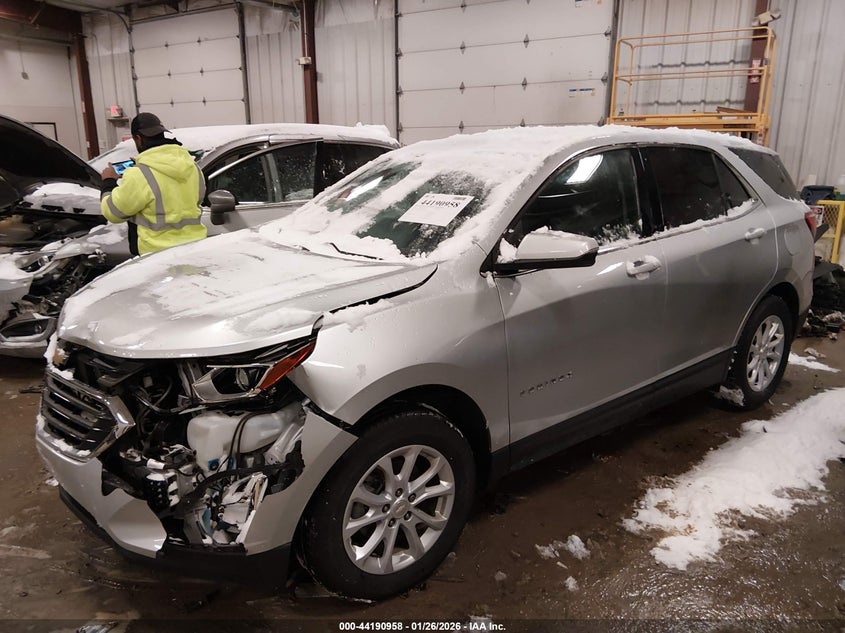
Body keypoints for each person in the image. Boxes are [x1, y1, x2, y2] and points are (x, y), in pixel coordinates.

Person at [100, 112, 207, 255]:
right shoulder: (192, 167)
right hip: (194, 249)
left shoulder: (140, 174)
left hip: (156, 257)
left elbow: (113, 212)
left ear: (138, 139)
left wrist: (108, 181)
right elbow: (196, 200)